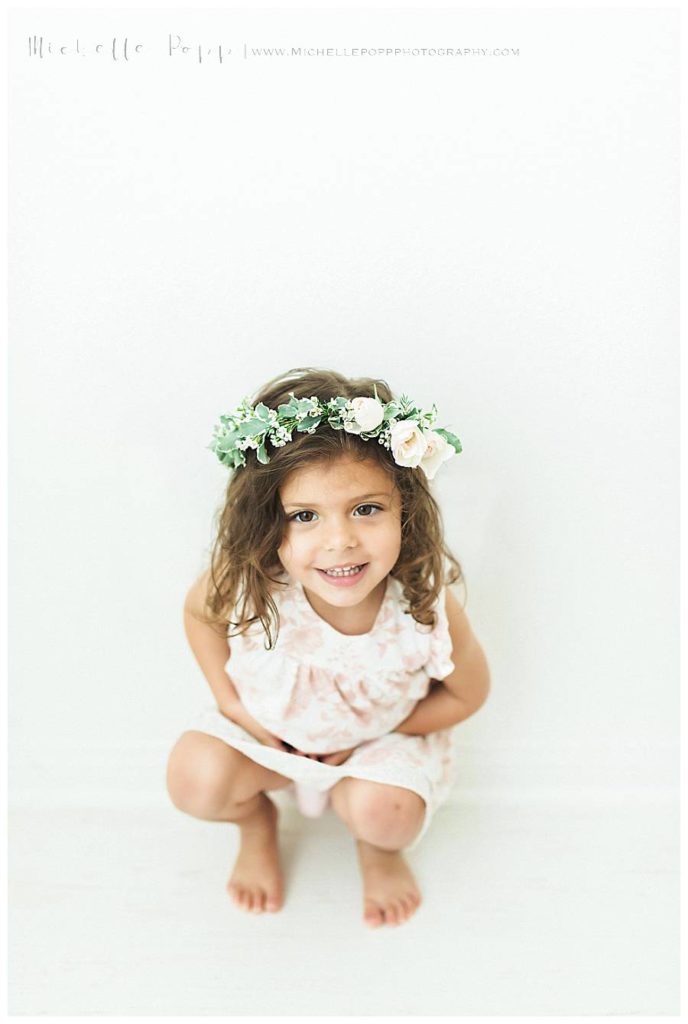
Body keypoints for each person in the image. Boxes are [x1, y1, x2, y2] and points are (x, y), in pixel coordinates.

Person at [166, 367, 490, 928]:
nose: (339, 540)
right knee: (194, 779)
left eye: (366, 509)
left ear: (404, 510)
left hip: (369, 749)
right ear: (268, 521)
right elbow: (199, 616)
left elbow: (468, 693)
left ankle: (377, 849)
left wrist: (373, 735)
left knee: (387, 812)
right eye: (305, 516)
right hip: (267, 738)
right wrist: (235, 706)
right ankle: (256, 823)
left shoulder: (421, 600)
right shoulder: (251, 578)